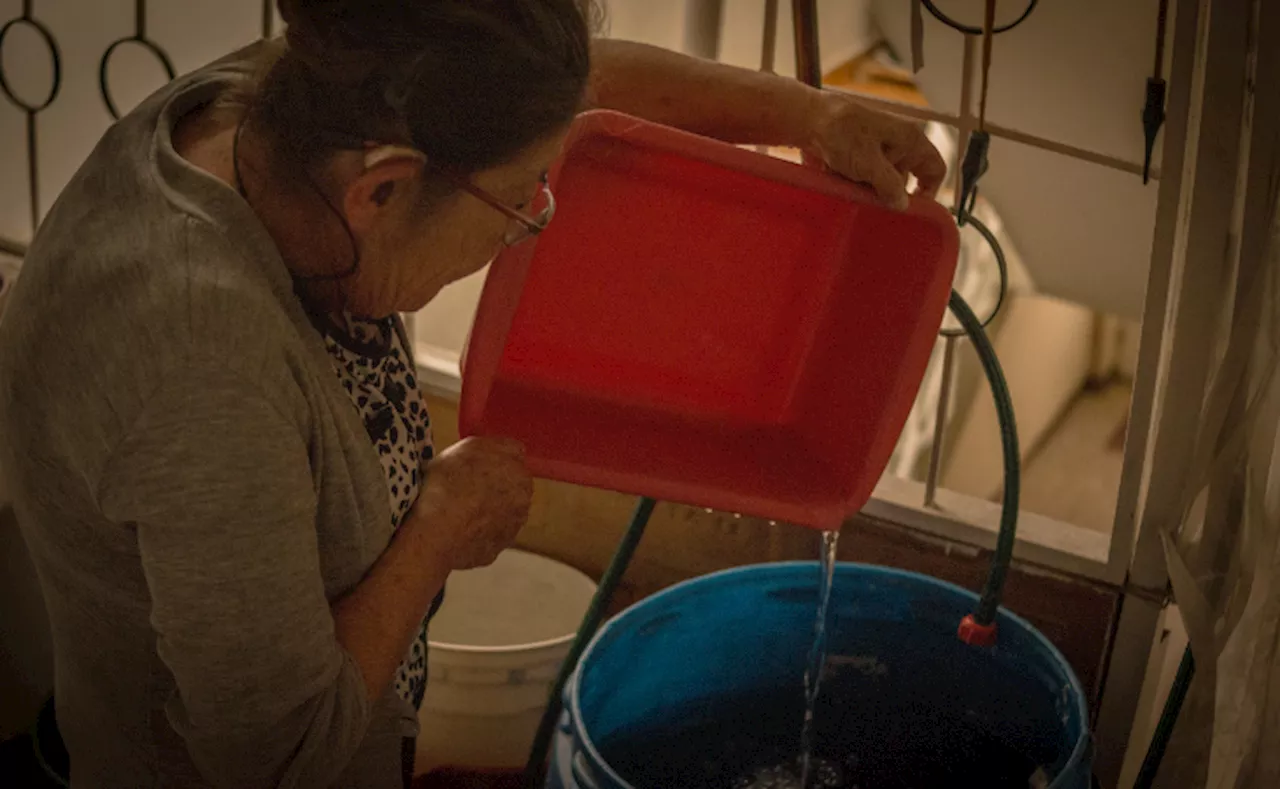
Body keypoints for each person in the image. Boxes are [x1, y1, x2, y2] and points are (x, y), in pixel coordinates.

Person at [0, 1, 945, 787]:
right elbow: (273, 755)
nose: (532, 223)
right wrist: (439, 528)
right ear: (381, 190)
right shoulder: (205, 373)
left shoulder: (294, 101)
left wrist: (805, 116)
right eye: (520, 198)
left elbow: (574, 88)